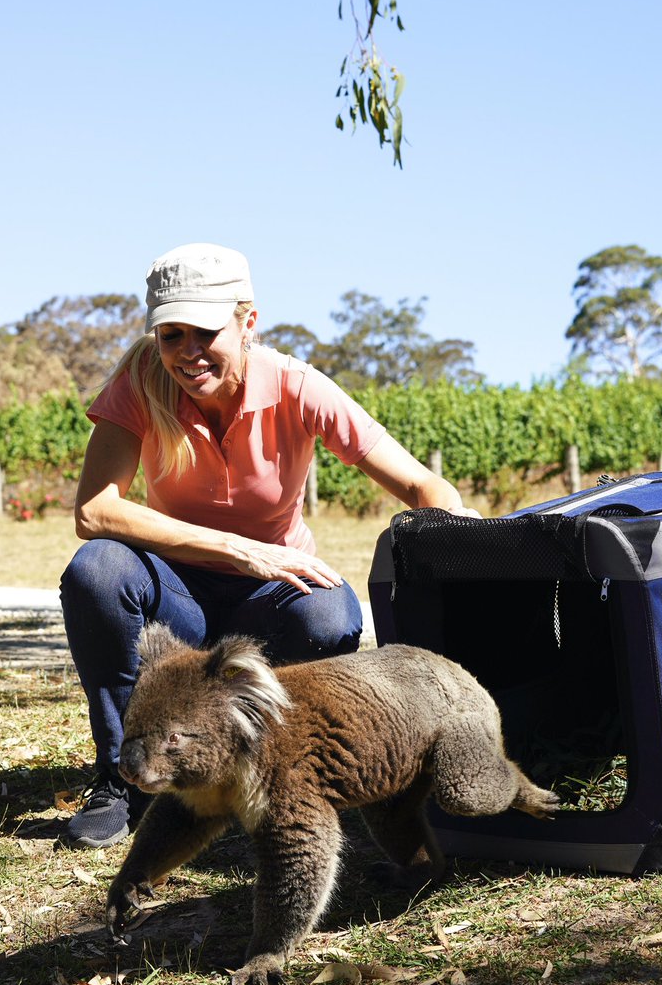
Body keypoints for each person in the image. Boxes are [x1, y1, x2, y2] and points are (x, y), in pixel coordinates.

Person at [60, 242, 476, 848]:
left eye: (204, 331)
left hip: (270, 591)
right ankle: (123, 778)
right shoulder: (140, 381)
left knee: (331, 613)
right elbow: (96, 511)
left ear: (247, 321)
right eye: (170, 334)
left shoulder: (296, 386)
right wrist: (236, 548)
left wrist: (469, 535)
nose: (186, 352)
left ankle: (275, 773)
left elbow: (418, 482)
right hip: (180, 590)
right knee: (97, 571)